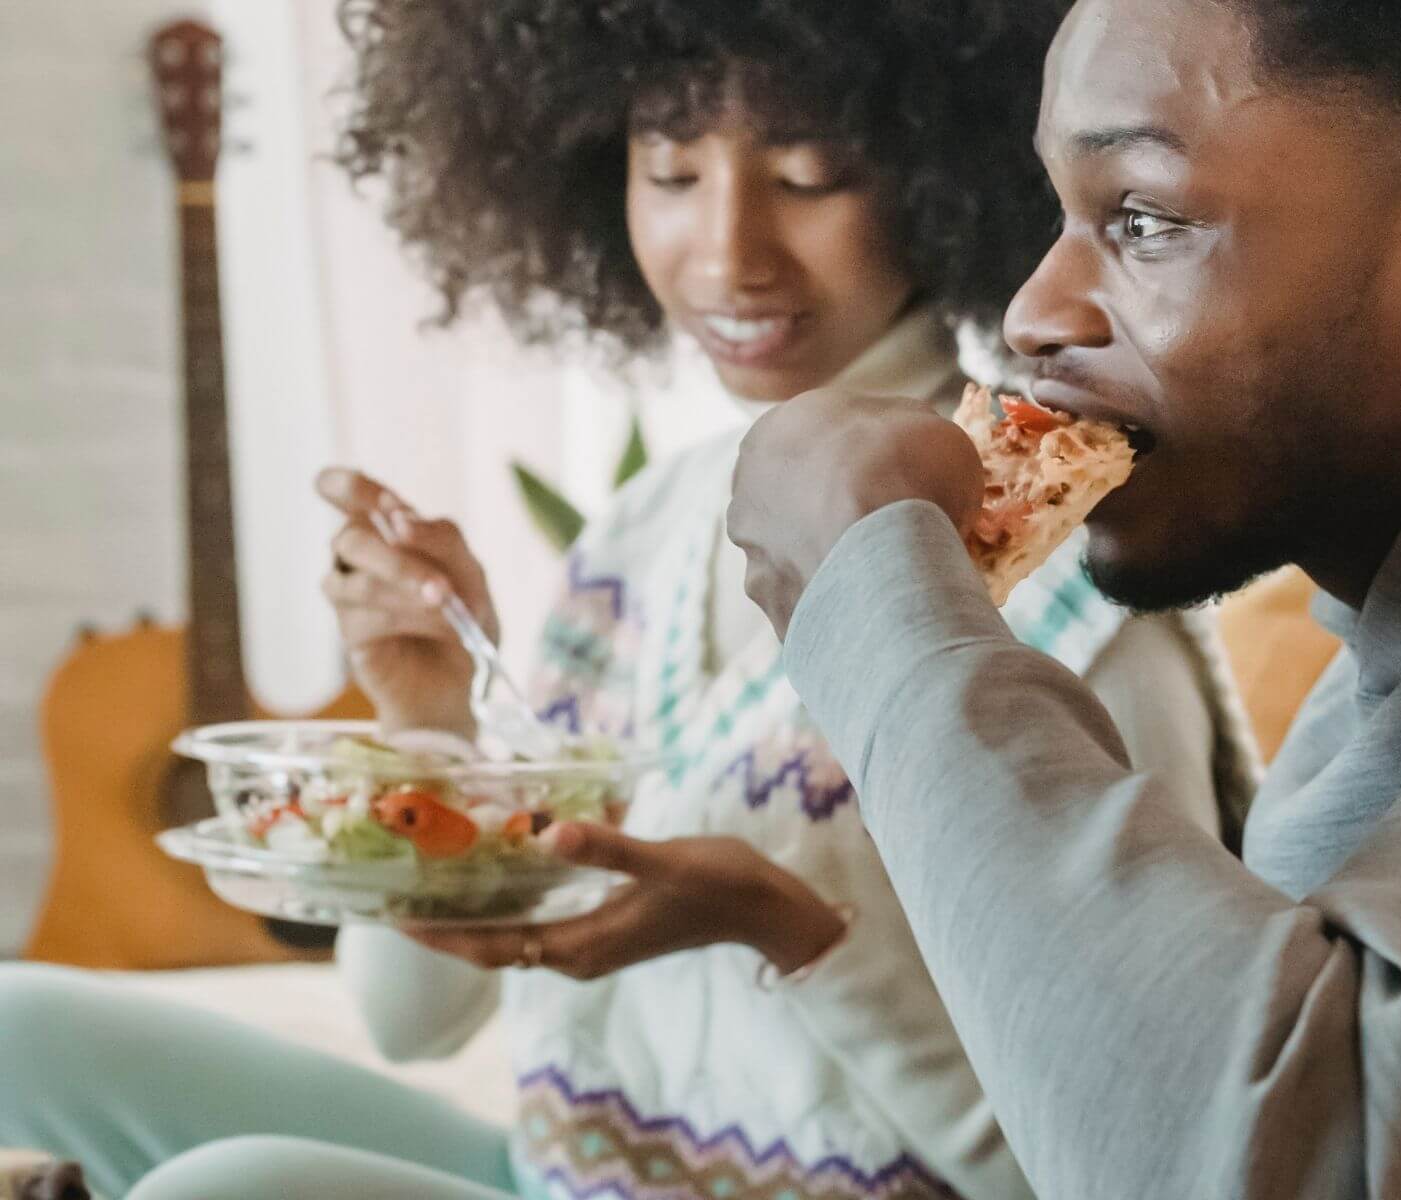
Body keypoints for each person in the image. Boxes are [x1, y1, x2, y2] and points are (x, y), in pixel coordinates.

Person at [0, 2, 1258, 1198]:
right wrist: (429, 721)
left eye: (809, 174)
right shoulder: (642, 533)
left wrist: (797, 936)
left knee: (231, 1189)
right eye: (667, 169)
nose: (724, 252)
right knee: (18, 1024)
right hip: (565, 1170)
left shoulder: (1070, 604)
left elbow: (1136, 1160)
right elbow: (413, 1020)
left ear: (949, 177)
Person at [726, 0, 1401, 1195]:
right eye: (1063, 216)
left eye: (1143, 219)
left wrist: (879, 609)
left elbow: (1323, 1161)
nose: (1030, 314)